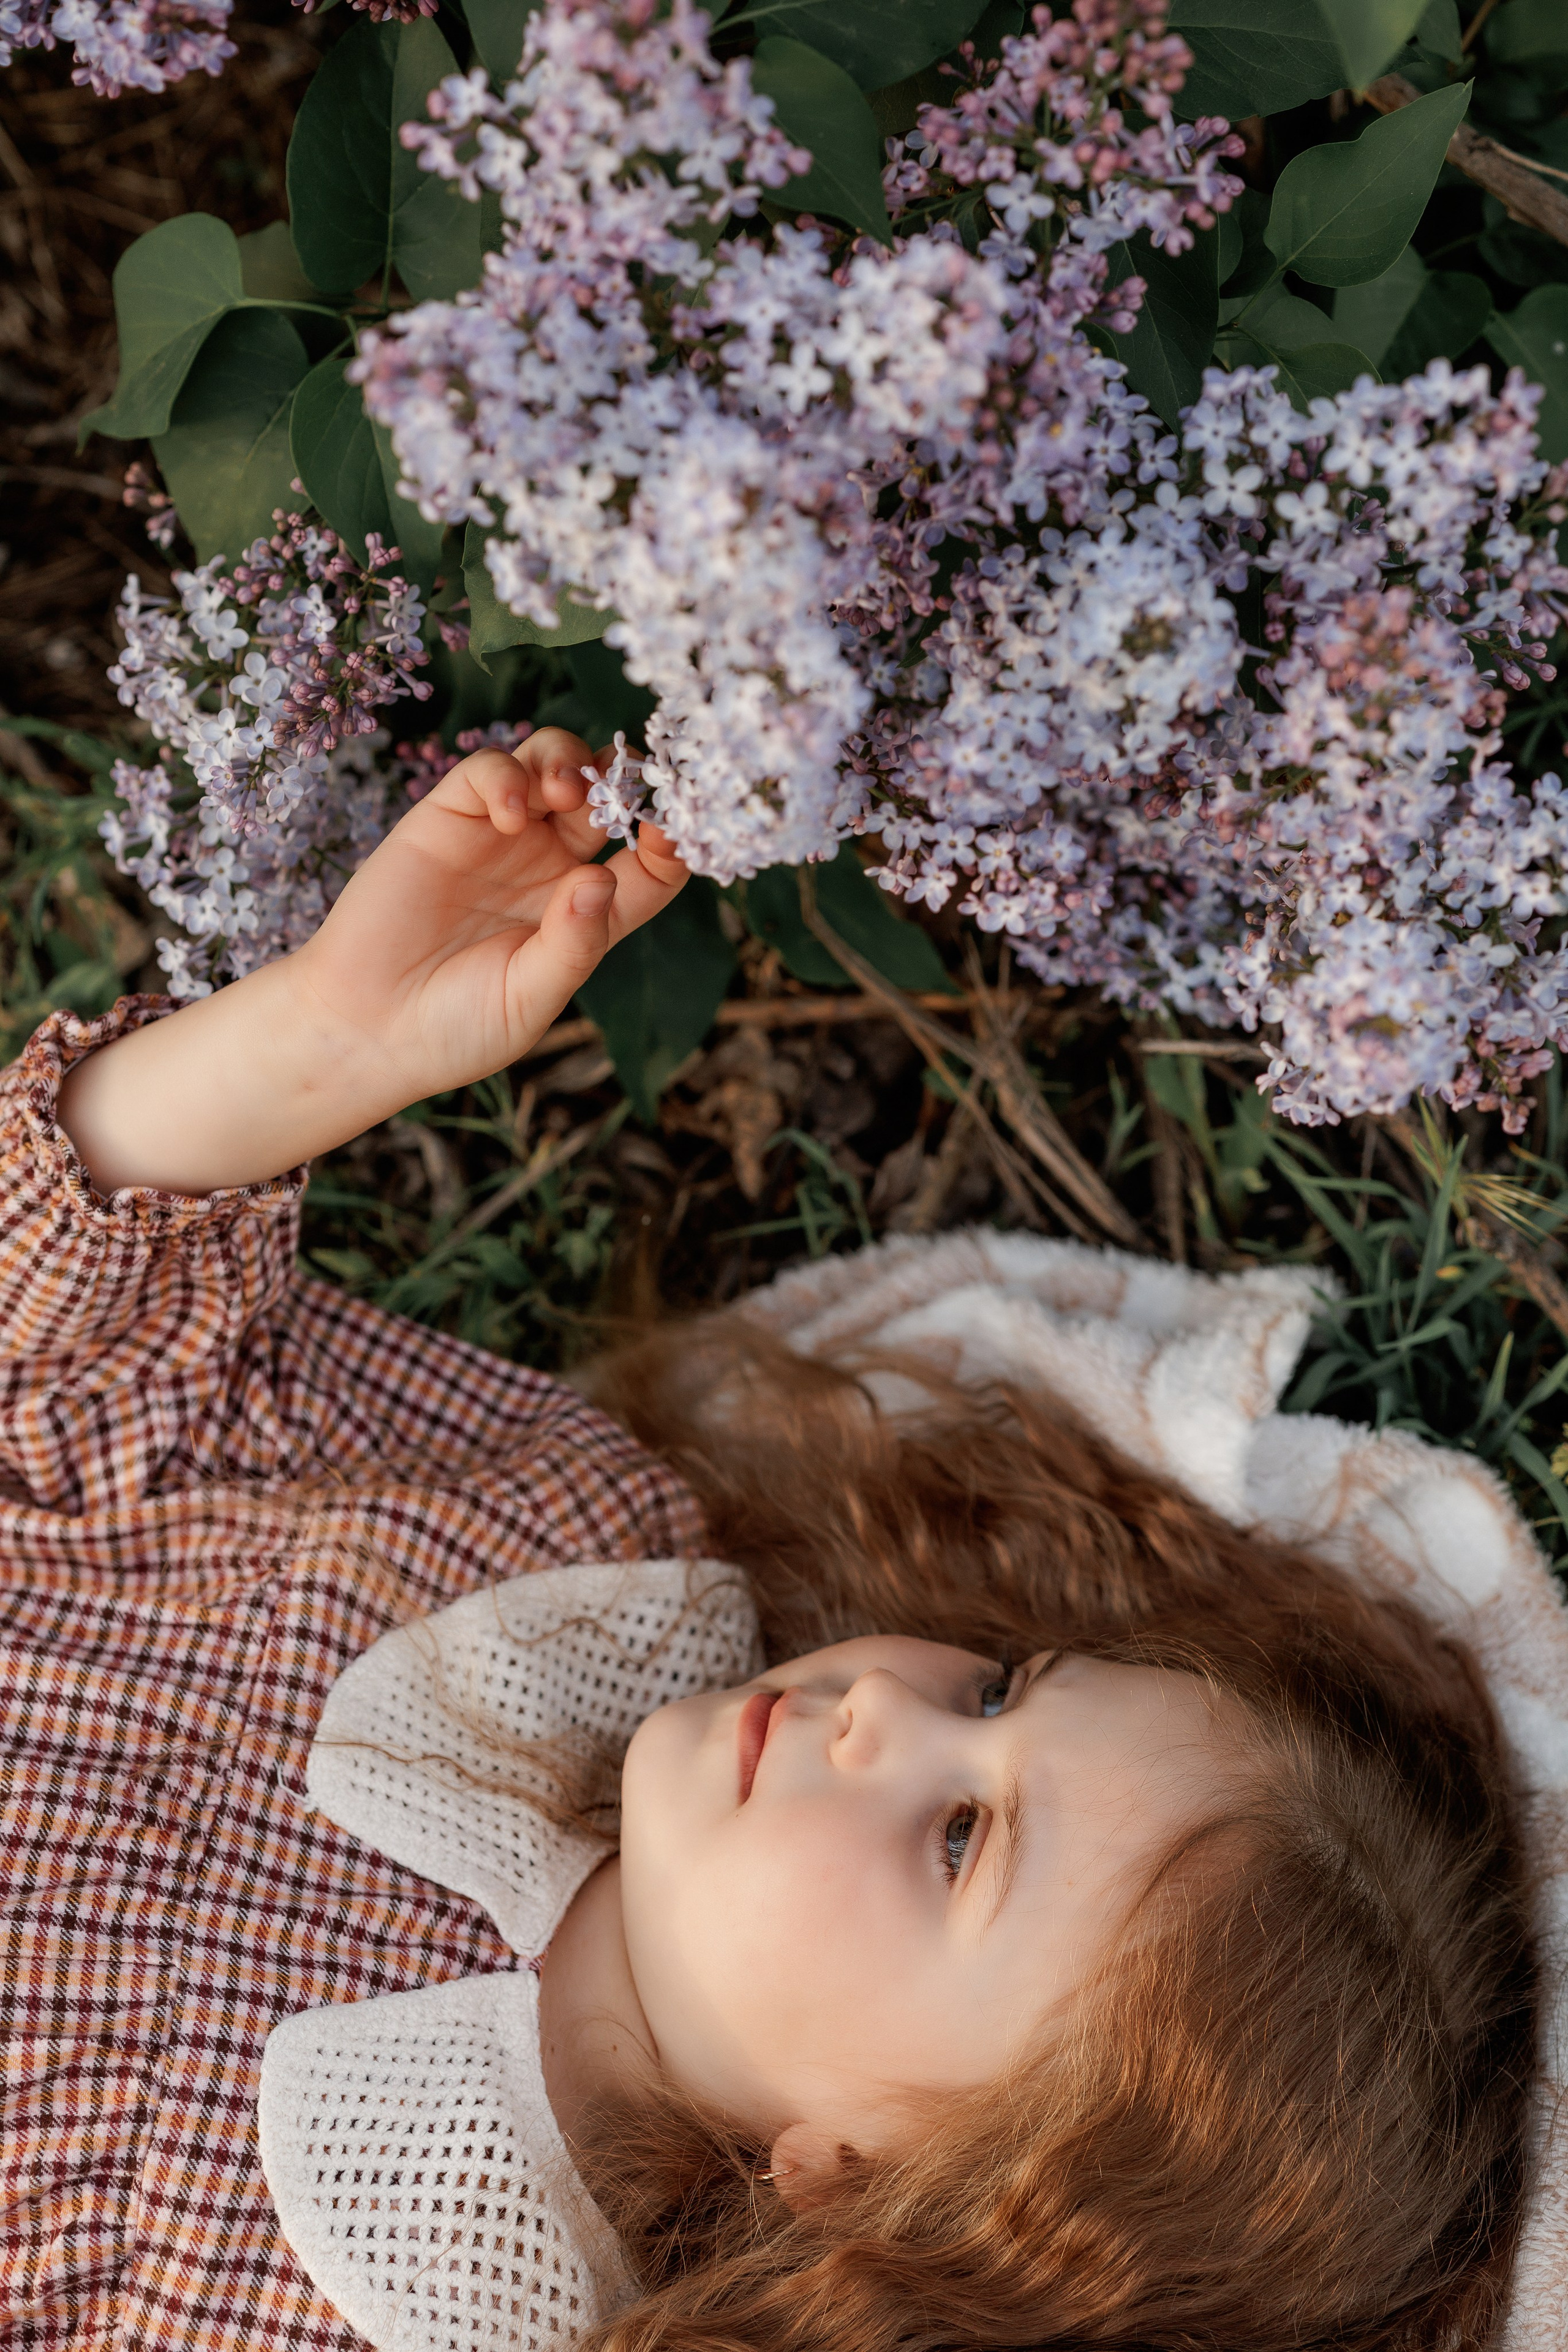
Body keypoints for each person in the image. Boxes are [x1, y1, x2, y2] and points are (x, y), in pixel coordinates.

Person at [1, 736, 1537, 2352]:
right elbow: (83, 1371)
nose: (891, 1710)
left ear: (872, 2185)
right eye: (1002, 1689)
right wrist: (315, 1043)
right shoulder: (555, 1557)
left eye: (963, 1838)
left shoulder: (337, 2312)